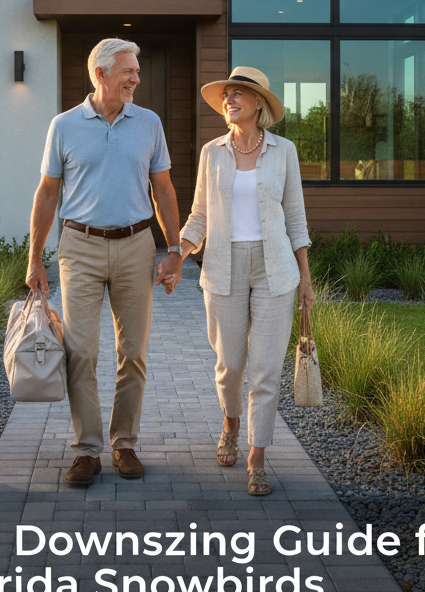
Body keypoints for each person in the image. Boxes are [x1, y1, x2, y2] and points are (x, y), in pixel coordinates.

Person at [26, 38, 184, 486]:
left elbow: (164, 189)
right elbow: (47, 194)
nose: (136, 77)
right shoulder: (64, 125)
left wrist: (174, 250)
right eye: (128, 71)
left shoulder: (149, 123)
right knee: (81, 352)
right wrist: (34, 259)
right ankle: (87, 450)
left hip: (136, 245)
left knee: (132, 352)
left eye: (137, 70)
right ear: (101, 74)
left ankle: (125, 443)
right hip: (80, 247)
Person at [178, 66, 314, 496]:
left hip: (275, 268)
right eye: (227, 94)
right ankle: (230, 423)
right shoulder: (211, 153)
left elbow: (295, 218)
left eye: (240, 94)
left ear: (259, 104)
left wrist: (306, 281)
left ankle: (257, 456)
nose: (230, 100)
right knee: (230, 364)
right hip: (223, 265)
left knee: (265, 370)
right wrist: (176, 253)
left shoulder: (284, 151)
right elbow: (199, 215)